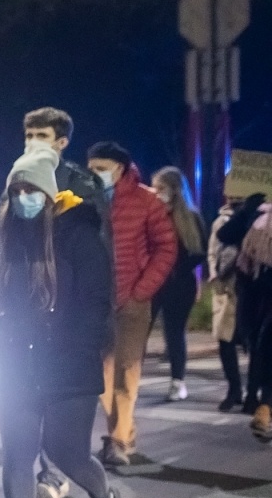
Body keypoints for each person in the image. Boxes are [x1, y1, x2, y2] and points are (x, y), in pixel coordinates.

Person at [0, 147, 117, 498]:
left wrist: (76, 351)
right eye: (16, 190)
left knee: (68, 452)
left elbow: (96, 304)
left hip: (67, 365)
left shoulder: (78, 234)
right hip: (17, 365)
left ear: (50, 192)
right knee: (18, 452)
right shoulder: (4, 235)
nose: (24, 198)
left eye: (32, 189)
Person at [85, 142, 177, 468]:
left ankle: (119, 440)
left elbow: (166, 247)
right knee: (102, 373)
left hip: (131, 301)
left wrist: (143, 289)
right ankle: (123, 432)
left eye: (102, 168)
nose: (95, 174)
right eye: (91, 167)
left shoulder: (145, 200)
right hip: (96, 302)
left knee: (127, 370)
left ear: (120, 169)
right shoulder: (84, 200)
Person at [216, 193, 272, 440]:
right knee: (258, 349)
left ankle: (264, 407)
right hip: (253, 295)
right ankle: (255, 399)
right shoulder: (258, 215)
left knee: (267, 348)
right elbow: (225, 235)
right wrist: (245, 210)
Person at [148, 167, 207, 401]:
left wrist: (175, 269)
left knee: (174, 334)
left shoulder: (191, 217)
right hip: (153, 281)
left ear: (175, 190)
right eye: (154, 187)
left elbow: (199, 252)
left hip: (179, 284)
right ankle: (129, 378)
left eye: (161, 188)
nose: (156, 192)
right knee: (140, 331)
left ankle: (177, 382)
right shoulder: (152, 214)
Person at [209, 197, 247, 412]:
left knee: (253, 344)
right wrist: (214, 274)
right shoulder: (221, 220)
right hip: (226, 288)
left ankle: (257, 392)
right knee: (225, 340)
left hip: (251, 288)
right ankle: (234, 389)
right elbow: (213, 250)